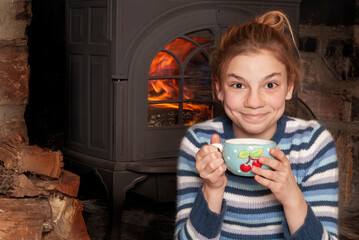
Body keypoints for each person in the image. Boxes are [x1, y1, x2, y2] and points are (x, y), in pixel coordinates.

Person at [175, 10, 338, 240]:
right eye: (238, 85)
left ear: (289, 87)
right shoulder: (198, 142)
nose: (253, 102)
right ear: (220, 89)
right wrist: (212, 189)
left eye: (270, 85)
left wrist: (292, 197)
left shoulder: (312, 144)